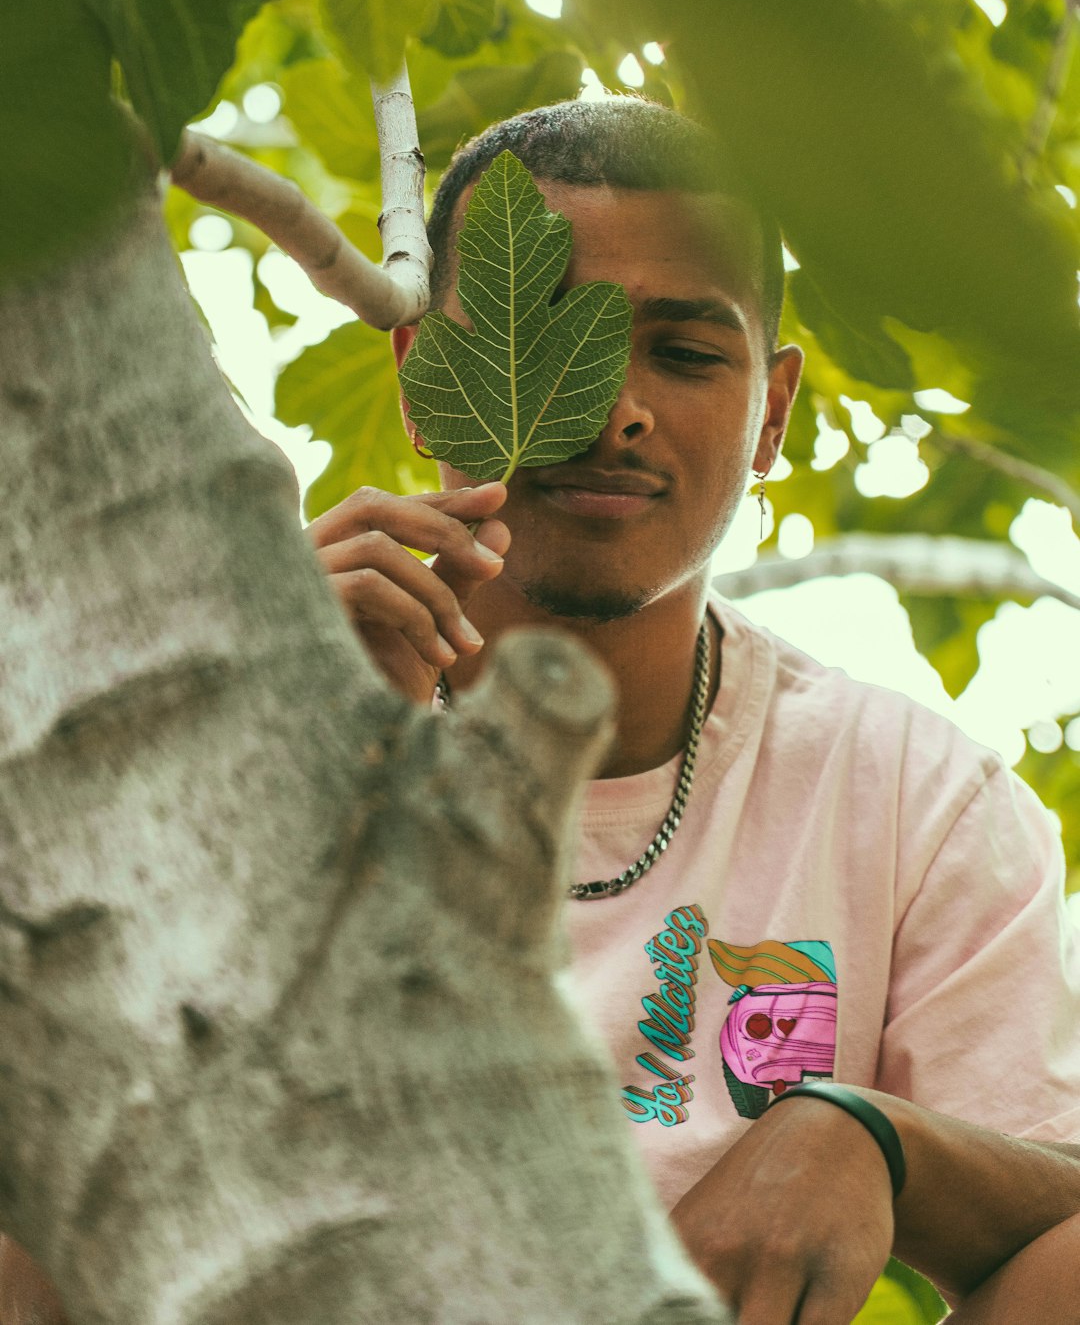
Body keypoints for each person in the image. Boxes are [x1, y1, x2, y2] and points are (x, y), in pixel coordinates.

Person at [2, 97, 1077, 1323]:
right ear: (423, 386)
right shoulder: (154, 741)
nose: (609, 409)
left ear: (772, 413)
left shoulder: (908, 795)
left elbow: (1055, 1199)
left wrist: (871, 1137)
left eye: (683, 354)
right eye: (547, 343)